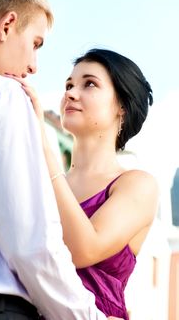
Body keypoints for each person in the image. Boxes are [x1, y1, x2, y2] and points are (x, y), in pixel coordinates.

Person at [0, 0, 123, 320]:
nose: (33, 66)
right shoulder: (0, 96)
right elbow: (30, 246)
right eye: (36, 43)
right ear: (7, 24)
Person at [17, 48, 159, 320]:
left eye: (89, 84)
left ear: (122, 106)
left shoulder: (137, 185)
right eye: (69, 85)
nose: (70, 93)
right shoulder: (43, 179)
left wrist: (41, 142)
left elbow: (84, 249)